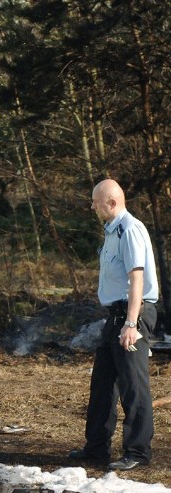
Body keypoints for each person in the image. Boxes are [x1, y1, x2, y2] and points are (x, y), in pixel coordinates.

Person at [68, 179, 158, 471]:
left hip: (133, 314)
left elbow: (137, 280)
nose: (92, 206)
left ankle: (138, 451)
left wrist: (132, 323)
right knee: (103, 384)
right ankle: (96, 448)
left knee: (134, 386)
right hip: (116, 316)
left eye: (96, 201)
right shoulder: (112, 231)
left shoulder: (129, 230)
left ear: (112, 203)